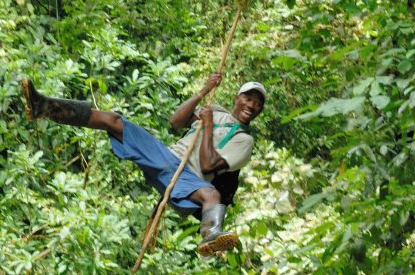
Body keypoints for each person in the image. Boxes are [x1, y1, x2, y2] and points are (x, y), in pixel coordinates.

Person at [21, 72, 266, 256]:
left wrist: (209, 123)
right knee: (114, 121)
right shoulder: (218, 111)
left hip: (189, 180)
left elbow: (209, 164)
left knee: (211, 195)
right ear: (238, 98)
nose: (252, 105)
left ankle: (210, 235)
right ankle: (43, 107)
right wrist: (203, 92)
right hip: (165, 157)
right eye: (248, 98)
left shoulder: (244, 140)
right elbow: (176, 122)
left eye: (257, 103)